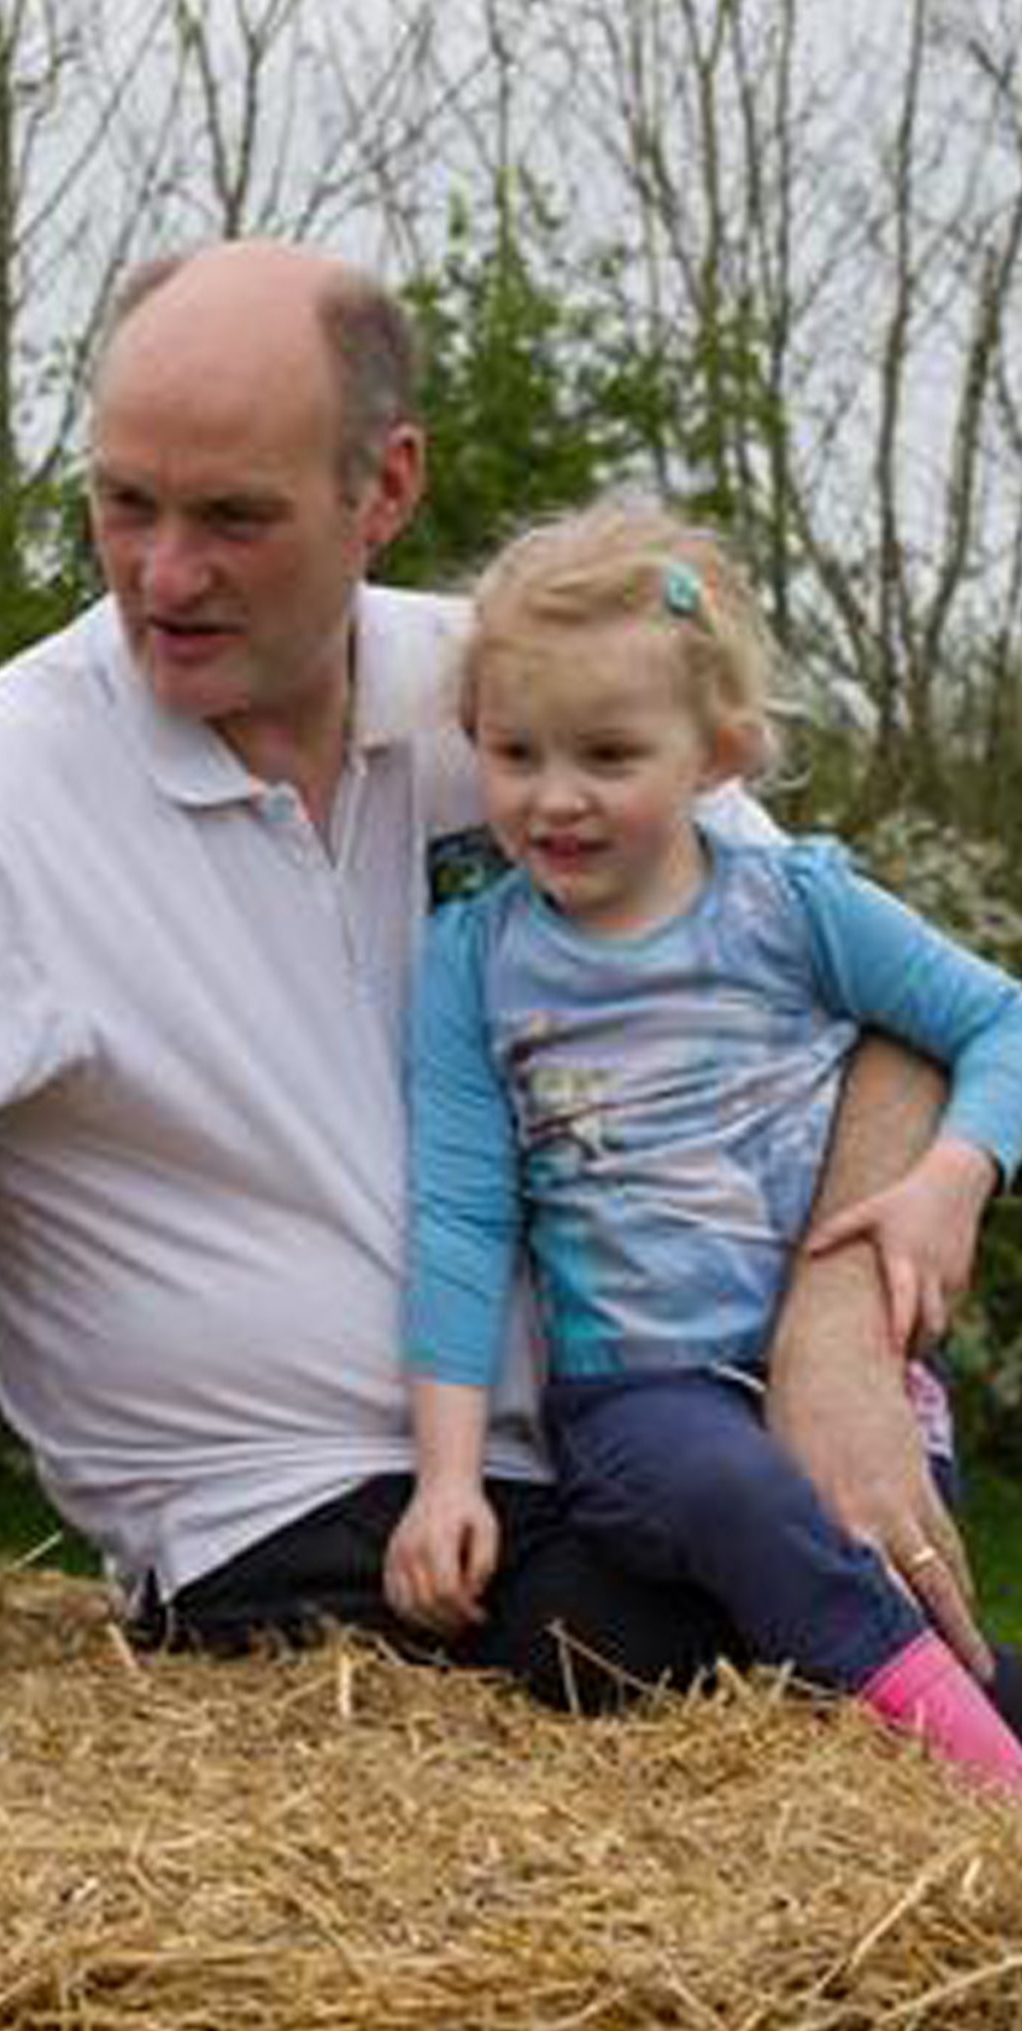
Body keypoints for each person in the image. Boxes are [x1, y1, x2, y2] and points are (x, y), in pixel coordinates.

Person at [0, 238, 989, 1710]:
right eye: (123, 505)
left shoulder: (536, 706)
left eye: (231, 517)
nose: (165, 574)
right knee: (706, 1671)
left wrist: (837, 1324)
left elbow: (885, 1006)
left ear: (385, 490)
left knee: (846, 1641)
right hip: (299, 1526)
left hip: (648, 1439)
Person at [386, 506, 1022, 1778]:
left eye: (609, 755)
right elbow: (461, 1219)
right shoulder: (476, 962)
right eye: (515, 752)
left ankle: (922, 1739)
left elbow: (998, 1018)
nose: (554, 797)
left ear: (716, 753)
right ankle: (987, 1778)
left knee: (869, 1555)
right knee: (740, 1504)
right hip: (640, 1397)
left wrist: (951, 1178)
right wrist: (445, 1478)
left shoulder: (792, 908)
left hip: (845, 1383)